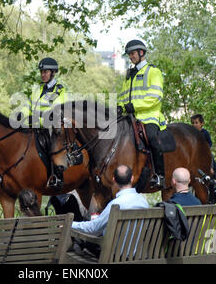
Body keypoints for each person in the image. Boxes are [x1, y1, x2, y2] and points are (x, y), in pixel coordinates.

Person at [117, 40, 167, 189]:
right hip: (130, 117)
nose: (130, 57)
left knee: (152, 139)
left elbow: (155, 96)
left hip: (149, 116)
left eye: (132, 54)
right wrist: (120, 106)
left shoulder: (153, 72)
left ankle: (160, 175)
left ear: (141, 53)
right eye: (129, 55)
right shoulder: (129, 74)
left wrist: (134, 106)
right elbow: (123, 95)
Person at [18, 57, 67, 189]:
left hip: (50, 128)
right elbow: (29, 104)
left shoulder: (59, 90)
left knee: (52, 146)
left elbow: (53, 112)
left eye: (46, 72)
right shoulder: (38, 89)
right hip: (35, 127)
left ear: (53, 73)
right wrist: (21, 113)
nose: (43, 75)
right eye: (41, 72)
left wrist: (34, 119)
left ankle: (57, 175)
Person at [72, 165, 149, 236]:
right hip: (138, 250)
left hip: (115, 250)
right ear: (132, 178)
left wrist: (70, 224)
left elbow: (93, 228)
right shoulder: (143, 202)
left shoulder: (115, 205)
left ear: (114, 180)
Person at [191, 114, 216, 202]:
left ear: (202, 124)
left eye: (196, 123)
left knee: (210, 157)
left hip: (205, 153)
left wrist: (205, 149)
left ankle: (211, 170)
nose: (194, 125)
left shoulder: (205, 133)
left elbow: (210, 143)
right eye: (193, 123)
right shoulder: (192, 134)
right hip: (196, 154)